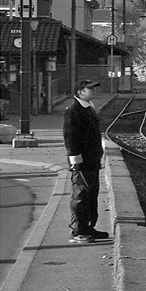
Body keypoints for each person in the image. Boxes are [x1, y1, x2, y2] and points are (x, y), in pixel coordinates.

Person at [63, 79, 109, 243]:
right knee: (81, 194)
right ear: (81, 91)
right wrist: (75, 159)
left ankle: (88, 226)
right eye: (90, 89)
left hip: (91, 159)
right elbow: (70, 137)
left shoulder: (88, 108)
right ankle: (78, 230)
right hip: (81, 161)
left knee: (91, 194)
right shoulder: (74, 111)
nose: (94, 92)